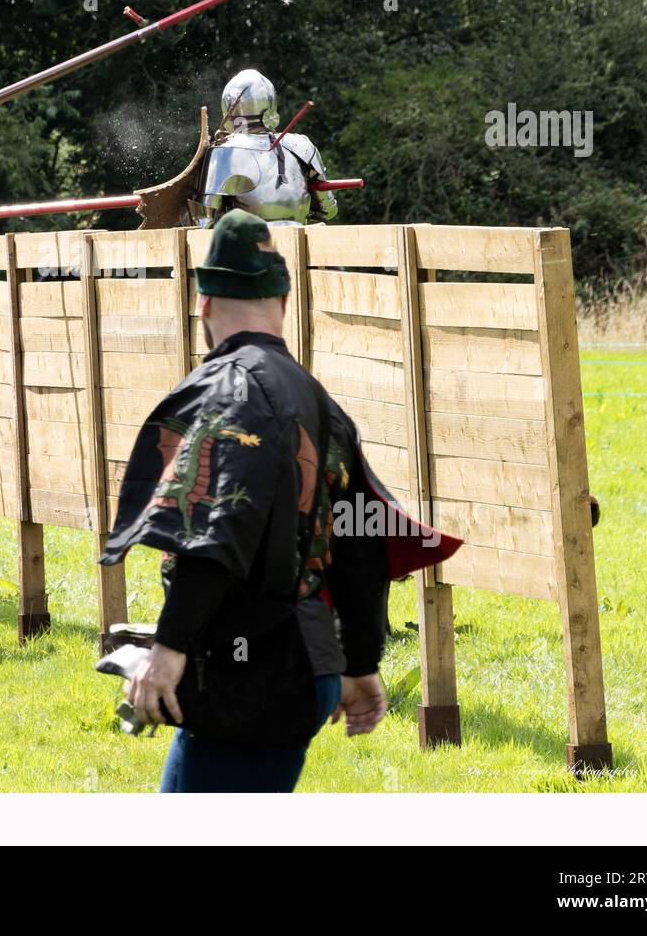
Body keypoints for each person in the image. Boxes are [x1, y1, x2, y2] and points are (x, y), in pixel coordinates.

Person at [100, 209, 458, 792]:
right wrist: (359, 663)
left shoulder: (230, 391)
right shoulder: (317, 400)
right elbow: (363, 542)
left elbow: (218, 531)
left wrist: (169, 649)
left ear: (204, 304)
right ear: (284, 303)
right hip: (306, 670)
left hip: (249, 674)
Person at [197, 68, 337, 226]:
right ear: (271, 105)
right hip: (297, 240)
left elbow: (204, 221)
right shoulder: (301, 146)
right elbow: (328, 210)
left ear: (228, 107)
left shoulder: (224, 151)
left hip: (247, 247)